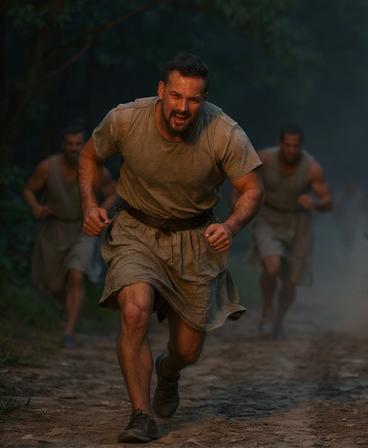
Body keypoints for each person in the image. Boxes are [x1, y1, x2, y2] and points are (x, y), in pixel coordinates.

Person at [78, 53, 263, 443]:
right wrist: (90, 205)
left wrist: (230, 225)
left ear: (204, 99)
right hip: (135, 231)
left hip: (195, 240)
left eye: (193, 100)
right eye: (176, 96)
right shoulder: (126, 119)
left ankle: (169, 370)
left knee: (188, 350)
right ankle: (141, 415)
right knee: (135, 311)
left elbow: (252, 189)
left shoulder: (224, 132)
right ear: (161, 90)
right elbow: (90, 156)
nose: (182, 107)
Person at [22, 125, 116, 348]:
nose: (74, 148)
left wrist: (100, 209)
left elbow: (113, 192)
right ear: (63, 145)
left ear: (84, 145)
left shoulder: (97, 170)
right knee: (53, 285)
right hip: (55, 227)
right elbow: (28, 189)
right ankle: (72, 307)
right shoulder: (48, 167)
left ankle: (69, 331)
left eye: (78, 144)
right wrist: (36, 207)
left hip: (84, 229)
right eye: (70, 144)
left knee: (76, 275)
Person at [247, 124, 332, 340]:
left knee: (290, 283)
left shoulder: (312, 168)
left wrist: (315, 202)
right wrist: (241, 207)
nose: (292, 150)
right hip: (269, 218)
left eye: (296, 146)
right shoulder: (264, 158)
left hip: (299, 223)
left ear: (301, 146)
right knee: (272, 265)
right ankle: (267, 310)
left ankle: (278, 320)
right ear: (280, 144)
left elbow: (328, 201)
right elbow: (244, 182)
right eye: (288, 145)